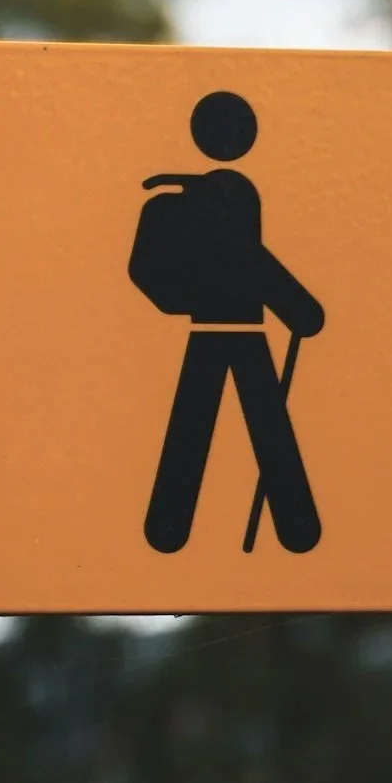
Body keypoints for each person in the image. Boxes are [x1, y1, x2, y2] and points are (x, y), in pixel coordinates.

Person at [129, 90, 324, 553]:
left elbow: (250, 260)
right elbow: (253, 261)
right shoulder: (225, 196)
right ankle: (290, 531)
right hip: (236, 332)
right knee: (244, 423)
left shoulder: (220, 194)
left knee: (233, 423)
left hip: (223, 333)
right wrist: (301, 310)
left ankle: (175, 530)